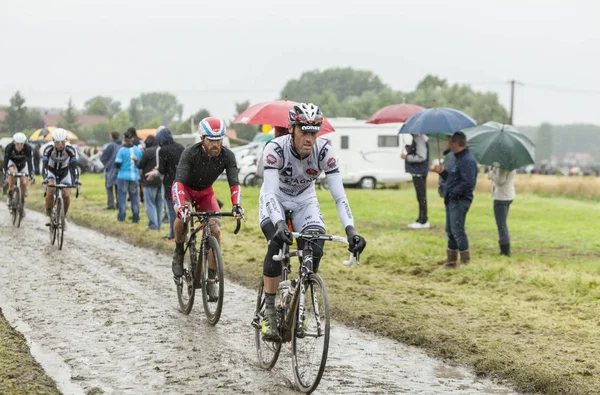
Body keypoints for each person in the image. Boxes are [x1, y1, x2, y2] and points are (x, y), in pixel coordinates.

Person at [258, 103, 367, 341]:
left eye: (313, 132)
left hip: (304, 200)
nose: (309, 138)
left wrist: (351, 231)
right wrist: (278, 223)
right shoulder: (275, 149)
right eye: (304, 131)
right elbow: (270, 194)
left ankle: (299, 298)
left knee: (315, 244)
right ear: (292, 129)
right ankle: (269, 312)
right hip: (274, 198)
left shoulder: (325, 152)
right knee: (276, 246)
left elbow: (340, 197)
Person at [170, 117, 244, 300]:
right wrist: (181, 208)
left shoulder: (227, 156)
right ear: (202, 139)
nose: (215, 144)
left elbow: (234, 183)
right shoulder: (190, 153)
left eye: (219, 140)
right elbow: (179, 182)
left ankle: (211, 280)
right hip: (185, 190)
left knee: (215, 229)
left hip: (205, 193)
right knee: (183, 219)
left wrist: (236, 205)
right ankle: (179, 252)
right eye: (211, 140)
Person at [438, 131, 477, 268]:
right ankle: (451, 261)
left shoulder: (467, 160)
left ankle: (465, 263)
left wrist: (453, 193)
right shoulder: (459, 158)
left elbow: (468, 183)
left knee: (457, 230)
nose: (448, 144)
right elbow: (453, 179)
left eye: (451, 142)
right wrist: (442, 172)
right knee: (450, 230)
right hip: (452, 200)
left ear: (456, 143)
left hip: (460, 201)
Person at [147, 127, 185, 241]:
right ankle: (182, 233)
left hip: (170, 183)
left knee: (171, 210)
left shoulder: (163, 150)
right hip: (183, 182)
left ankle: (173, 234)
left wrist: (155, 172)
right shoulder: (180, 147)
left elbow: (162, 170)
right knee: (182, 208)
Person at [42, 128, 79, 229]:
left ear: (65, 141)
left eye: (62, 142)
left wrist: (75, 179)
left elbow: (74, 166)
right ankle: (48, 215)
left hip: (64, 172)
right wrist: (45, 178)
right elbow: (44, 166)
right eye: (57, 142)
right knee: (51, 190)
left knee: (66, 195)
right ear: (53, 141)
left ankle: (63, 217)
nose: (60, 145)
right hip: (51, 171)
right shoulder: (48, 148)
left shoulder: (70, 149)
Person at [401, 134, 430, 229]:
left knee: (421, 197)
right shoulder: (419, 139)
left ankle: (423, 220)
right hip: (419, 172)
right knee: (421, 197)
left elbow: (421, 157)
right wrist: (410, 149)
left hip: (419, 172)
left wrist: (407, 157)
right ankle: (421, 219)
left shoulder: (419, 139)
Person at [114, 129, 143, 223]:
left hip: (122, 176)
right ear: (132, 139)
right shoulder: (137, 150)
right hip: (134, 176)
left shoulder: (121, 150)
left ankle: (121, 216)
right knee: (134, 197)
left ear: (124, 139)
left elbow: (117, 164)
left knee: (122, 197)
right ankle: (136, 217)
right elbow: (141, 162)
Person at [488, 163, 516, 256]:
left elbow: (500, 180)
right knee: (502, 223)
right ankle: (505, 248)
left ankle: (505, 250)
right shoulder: (511, 162)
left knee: (501, 224)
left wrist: (491, 173)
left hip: (501, 197)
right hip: (508, 195)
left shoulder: (502, 165)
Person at [3, 132, 35, 214]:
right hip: (12, 163)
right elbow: (6, 162)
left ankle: (22, 203)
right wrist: (5, 174)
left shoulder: (28, 148)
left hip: (22, 164)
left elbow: (30, 162)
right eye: (17, 144)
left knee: (23, 182)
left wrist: (31, 175)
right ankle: (10, 194)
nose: (20, 146)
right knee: (13, 173)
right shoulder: (9, 147)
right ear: (14, 143)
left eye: (21, 144)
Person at [137, 135, 162, 231]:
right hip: (160, 180)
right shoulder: (161, 150)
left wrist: (136, 160)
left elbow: (140, 165)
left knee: (150, 204)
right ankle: (158, 226)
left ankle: (153, 226)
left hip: (149, 180)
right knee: (159, 204)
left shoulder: (148, 151)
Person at [100, 131, 122, 210]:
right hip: (120, 168)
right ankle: (120, 204)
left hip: (111, 169)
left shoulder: (111, 145)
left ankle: (111, 204)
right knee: (118, 187)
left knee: (109, 187)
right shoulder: (122, 145)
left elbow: (103, 157)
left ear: (112, 136)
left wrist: (107, 165)